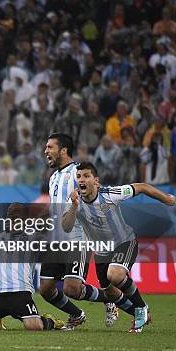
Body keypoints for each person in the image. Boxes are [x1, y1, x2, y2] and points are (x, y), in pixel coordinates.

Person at [63, 162, 176, 332]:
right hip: (102, 251)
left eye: (86, 176)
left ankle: (141, 307)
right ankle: (139, 315)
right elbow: (66, 226)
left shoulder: (110, 194)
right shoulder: (74, 201)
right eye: (79, 176)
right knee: (110, 294)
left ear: (95, 181)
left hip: (124, 242)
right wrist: (73, 207)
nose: (82, 179)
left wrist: (167, 199)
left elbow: (142, 187)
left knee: (115, 274)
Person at [40, 133, 117, 329]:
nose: (45, 151)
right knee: (46, 290)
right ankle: (77, 315)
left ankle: (109, 298)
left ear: (63, 150)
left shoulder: (78, 173)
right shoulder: (54, 177)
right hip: (56, 239)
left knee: (72, 289)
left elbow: (98, 195)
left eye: (50, 147)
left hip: (77, 237)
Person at [0, 204, 66, 331]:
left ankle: (50, 321)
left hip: (21, 293)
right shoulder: (1, 237)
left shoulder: (34, 237)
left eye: (15, 218)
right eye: (8, 218)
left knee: (34, 327)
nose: (10, 221)